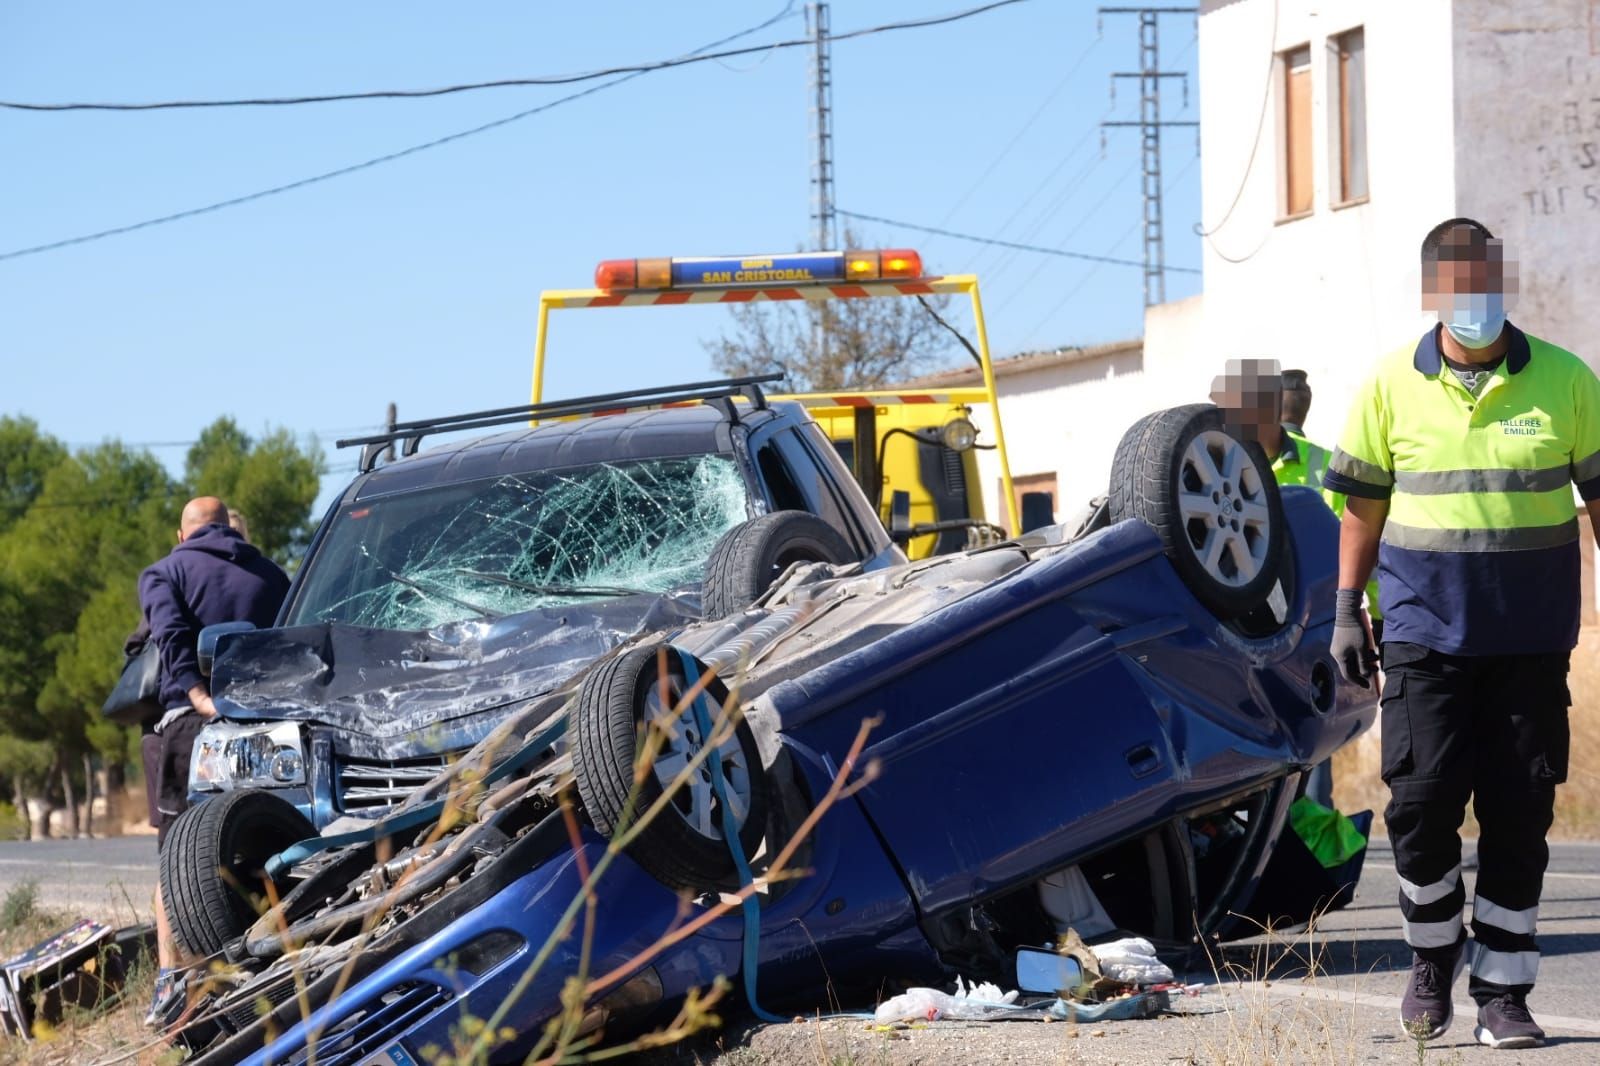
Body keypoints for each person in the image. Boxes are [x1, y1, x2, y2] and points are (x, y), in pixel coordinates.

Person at [1324, 217, 1600, 1050]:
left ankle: (1505, 994)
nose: (1473, 301)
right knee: (1419, 804)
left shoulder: (1567, 380)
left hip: (1527, 639)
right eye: (1456, 285)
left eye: (1484, 282)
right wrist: (1344, 610)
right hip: (1421, 636)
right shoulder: (1386, 387)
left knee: (1520, 815)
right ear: (1432, 293)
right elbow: (1361, 511)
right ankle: (1431, 955)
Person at [138, 496, 289, 1024]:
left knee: (177, 858)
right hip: (270, 727)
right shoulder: (272, 573)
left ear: (184, 535)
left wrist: (200, 696)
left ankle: (172, 983)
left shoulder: (165, 572)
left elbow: (170, 637)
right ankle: (264, 970)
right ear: (229, 529)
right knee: (263, 845)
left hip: (193, 726)